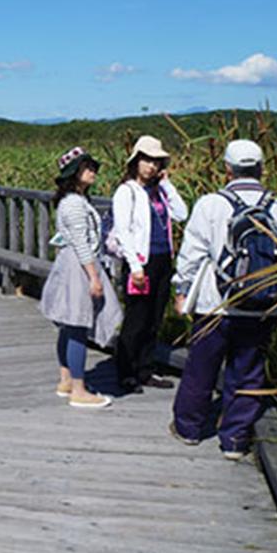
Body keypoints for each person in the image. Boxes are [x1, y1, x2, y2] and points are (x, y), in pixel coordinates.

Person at [170, 139, 277, 460]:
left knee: (201, 367)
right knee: (249, 371)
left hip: (216, 304)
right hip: (262, 305)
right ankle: (235, 440)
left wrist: (182, 290)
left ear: (226, 168)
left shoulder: (211, 204)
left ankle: (189, 429)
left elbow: (192, 255)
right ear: (261, 168)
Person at [39, 146, 122, 409]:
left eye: (93, 167)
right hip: (78, 266)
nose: (93, 172)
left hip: (70, 263)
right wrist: (94, 277)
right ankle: (79, 389)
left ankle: (66, 379)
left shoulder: (74, 201)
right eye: (87, 168)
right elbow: (81, 243)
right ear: (74, 174)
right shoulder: (75, 204)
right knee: (77, 326)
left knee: (69, 325)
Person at [111, 135, 188, 394]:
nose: (151, 166)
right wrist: (134, 266)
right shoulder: (127, 191)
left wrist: (167, 185)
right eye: (147, 160)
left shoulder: (158, 192)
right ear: (136, 161)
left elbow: (181, 213)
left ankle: (146, 369)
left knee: (155, 318)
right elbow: (122, 230)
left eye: (156, 161)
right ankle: (126, 372)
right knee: (136, 319)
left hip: (163, 259)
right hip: (140, 262)